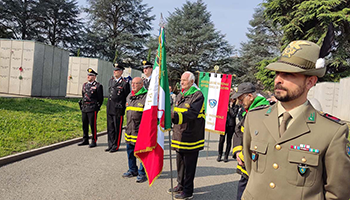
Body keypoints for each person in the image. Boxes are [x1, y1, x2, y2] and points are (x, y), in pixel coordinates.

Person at [242, 40, 350, 200]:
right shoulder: (255, 117)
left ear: (310, 81)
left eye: (288, 74)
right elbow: (253, 172)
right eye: (277, 73)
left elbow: (338, 194)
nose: (278, 79)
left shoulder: (332, 131)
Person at [168, 71, 205, 200]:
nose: (181, 82)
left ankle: (188, 191)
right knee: (180, 162)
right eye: (181, 80)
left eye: (184, 80)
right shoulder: (180, 95)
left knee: (189, 165)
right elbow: (176, 111)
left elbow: (192, 114)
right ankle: (180, 185)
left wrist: (174, 116)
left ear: (192, 82)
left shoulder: (197, 95)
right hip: (179, 135)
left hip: (191, 136)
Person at [231, 82, 270, 200]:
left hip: (256, 166)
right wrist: (238, 151)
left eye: (241, 99)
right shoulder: (250, 110)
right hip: (246, 164)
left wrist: (245, 154)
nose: (240, 103)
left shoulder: (265, 111)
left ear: (250, 96)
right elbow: (239, 130)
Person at [122, 77, 148, 183]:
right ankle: (132, 170)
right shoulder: (130, 95)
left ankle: (142, 173)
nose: (133, 85)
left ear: (141, 84)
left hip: (141, 130)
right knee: (130, 151)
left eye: (136, 83)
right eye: (132, 83)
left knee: (142, 153)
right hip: (130, 129)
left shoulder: (146, 97)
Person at [106, 62, 130, 153]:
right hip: (110, 107)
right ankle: (110, 144)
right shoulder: (111, 81)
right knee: (110, 127)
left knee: (117, 128)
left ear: (121, 72)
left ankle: (116, 145)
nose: (115, 72)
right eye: (114, 70)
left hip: (118, 109)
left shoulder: (124, 83)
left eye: (117, 70)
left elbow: (127, 97)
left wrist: (123, 107)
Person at [78, 68, 104, 148]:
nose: (88, 76)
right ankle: (85, 139)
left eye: (90, 75)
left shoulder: (98, 86)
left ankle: (94, 140)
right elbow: (83, 95)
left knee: (93, 125)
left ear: (94, 77)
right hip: (85, 107)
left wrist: (97, 107)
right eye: (88, 75)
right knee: (84, 124)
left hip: (92, 108)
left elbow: (100, 98)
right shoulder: (85, 85)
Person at [217, 96, 239, 162]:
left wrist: (230, 107)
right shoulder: (225, 105)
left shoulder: (236, 106)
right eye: (231, 98)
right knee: (221, 140)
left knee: (228, 141)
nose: (232, 100)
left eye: (234, 99)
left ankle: (226, 156)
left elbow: (233, 115)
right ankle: (219, 155)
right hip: (223, 124)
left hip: (231, 125)